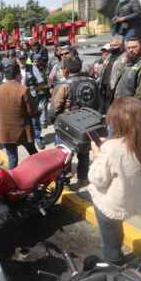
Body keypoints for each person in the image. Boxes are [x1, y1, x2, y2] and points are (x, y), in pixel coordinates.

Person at [88, 97, 141, 263]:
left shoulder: (113, 148)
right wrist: (109, 145)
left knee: (111, 234)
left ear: (119, 123)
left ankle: (113, 264)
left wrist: (97, 153)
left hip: (114, 204)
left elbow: (98, 179)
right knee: (116, 225)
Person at [49, 56, 100, 187]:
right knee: (84, 152)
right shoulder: (93, 82)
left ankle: (64, 184)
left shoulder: (64, 85)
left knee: (64, 155)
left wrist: (54, 122)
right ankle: (83, 178)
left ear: (66, 69)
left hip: (67, 127)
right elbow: (99, 103)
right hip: (88, 125)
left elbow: (54, 109)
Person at [0, 63, 39, 170]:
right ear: (17, 76)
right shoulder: (23, 90)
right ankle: (40, 176)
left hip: (6, 131)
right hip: (23, 131)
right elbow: (32, 112)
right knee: (34, 154)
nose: (21, 77)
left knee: (12, 159)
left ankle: (13, 183)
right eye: (20, 75)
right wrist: (38, 114)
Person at [113, 36, 141, 106]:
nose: (130, 50)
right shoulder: (131, 61)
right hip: (121, 108)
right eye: (128, 48)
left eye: (134, 47)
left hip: (132, 111)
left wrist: (131, 111)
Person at [16, 51, 44, 149]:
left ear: (26, 59)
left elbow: (40, 81)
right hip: (18, 99)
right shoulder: (14, 69)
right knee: (21, 119)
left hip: (31, 98)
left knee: (35, 119)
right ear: (17, 60)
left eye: (23, 58)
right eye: (20, 59)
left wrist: (36, 92)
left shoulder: (32, 67)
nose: (21, 61)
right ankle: (23, 138)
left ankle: (37, 138)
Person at [99, 36, 127, 114]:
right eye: (111, 45)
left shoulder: (125, 58)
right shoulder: (109, 57)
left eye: (115, 45)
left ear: (122, 45)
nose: (112, 47)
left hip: (115, 92)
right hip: (104, 91)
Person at [33, 54, 51, 129]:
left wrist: (49, 88)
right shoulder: (32, 68)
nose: (34, 63)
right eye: (33, 61)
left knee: (43, 107)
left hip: (44, 91)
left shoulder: (46, 68)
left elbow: (49, 79)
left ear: (40, 61)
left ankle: (43, 122)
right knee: (35, 108)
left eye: (36, 61)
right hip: (35, 92)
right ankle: (36, 123)